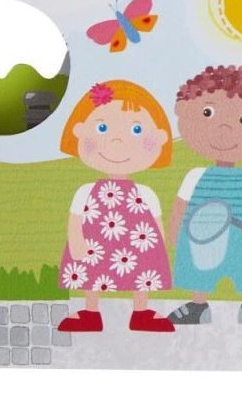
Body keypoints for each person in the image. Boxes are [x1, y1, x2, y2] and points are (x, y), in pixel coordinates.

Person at [167, 65, 242, 327]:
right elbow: (180, 206)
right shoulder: (195, 176)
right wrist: (173, 231)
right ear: (185, 112)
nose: (224, 129)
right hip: (201, 235)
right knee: (197, 267)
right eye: (207, 113)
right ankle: (198, 304)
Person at [56, 80, 175, 333]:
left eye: (136, 130)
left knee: (142, 273)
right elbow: (75, 220)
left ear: (159, 138)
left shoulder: (146, 194)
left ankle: (140, 312)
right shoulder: (85, 191)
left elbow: (157, 226)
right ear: (79, 131)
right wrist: (76, 243)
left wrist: (159, 254)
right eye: (102, 128)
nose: (117, 141)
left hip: (137, 251)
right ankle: (91, 312)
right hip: (94, 249)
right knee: (91, 271)